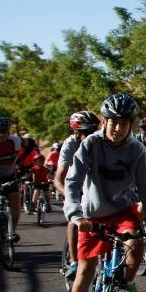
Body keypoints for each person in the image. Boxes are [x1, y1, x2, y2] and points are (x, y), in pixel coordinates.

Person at [57, 93, 146, 292]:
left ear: (131, 124)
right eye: (113, 122)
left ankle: (126, 286)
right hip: (92, 214)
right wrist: (76, 216)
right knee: (85, 270)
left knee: (136, 242)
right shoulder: (91, 145)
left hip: (122, 211)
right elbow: (72, 183)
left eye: (124, 123)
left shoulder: (136, 149)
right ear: (104, 121)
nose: (118, 128)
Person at [55, 111, 101, 279]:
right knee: (75, 220)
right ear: (76, 133)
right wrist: (71, 199)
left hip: (95, 188)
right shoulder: (70, 145)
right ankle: (74, 262)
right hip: (76, 188)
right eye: (87, 133)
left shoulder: (100, 141)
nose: (92, 136)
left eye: (94, 131)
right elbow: (59, 179)